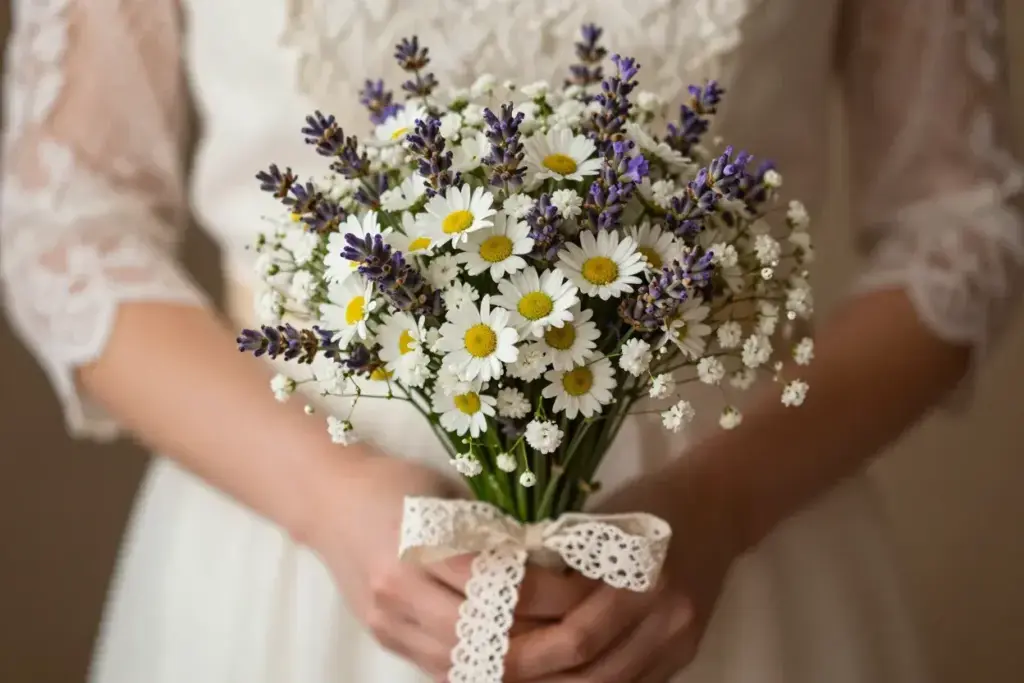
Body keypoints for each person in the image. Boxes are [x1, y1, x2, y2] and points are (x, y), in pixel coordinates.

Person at [2, 0, 1021, 681]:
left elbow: (962, 220)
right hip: (289, 553)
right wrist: (328, 495)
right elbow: (63, 217)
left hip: (730, 557)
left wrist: (719, 506)